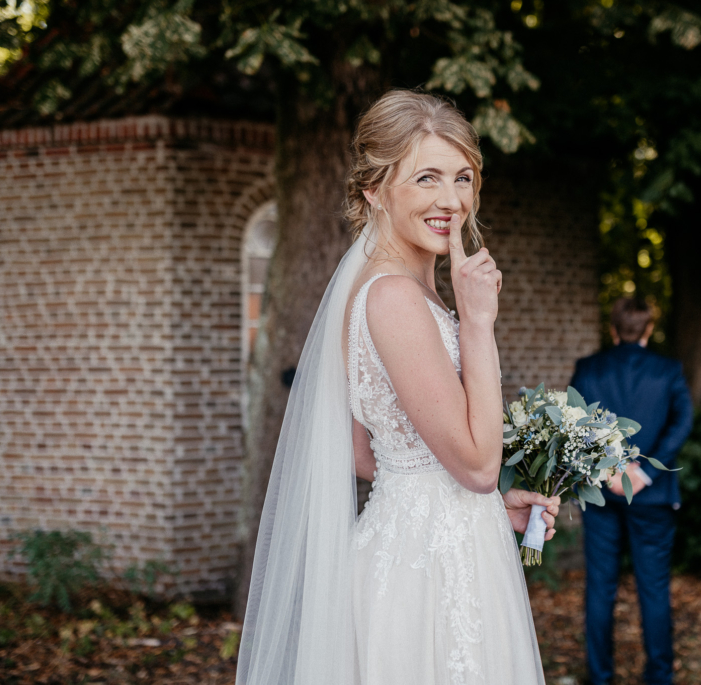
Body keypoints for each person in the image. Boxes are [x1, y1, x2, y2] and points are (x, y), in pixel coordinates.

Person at [236, 90, 560, 685]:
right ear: (375, 192)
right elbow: (478, 466)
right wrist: (478, 324)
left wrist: (476, 506)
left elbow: (367, 454)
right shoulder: (396, 298)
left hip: (424, 548)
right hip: (428, 577)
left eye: (463, 177)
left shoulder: (387, 290)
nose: (451, 200)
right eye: (427, 178)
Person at [569, 298, 694, 685]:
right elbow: (683, 420)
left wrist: (609, 469)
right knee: (653, 587)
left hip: (601, 492)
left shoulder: (588, 369)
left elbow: (576, 423)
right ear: (648, 329)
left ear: (613, 329)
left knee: (600, 588)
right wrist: (645, 471)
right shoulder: (668, 370)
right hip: (652, 497)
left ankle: (600, 677)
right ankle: (659, 676)